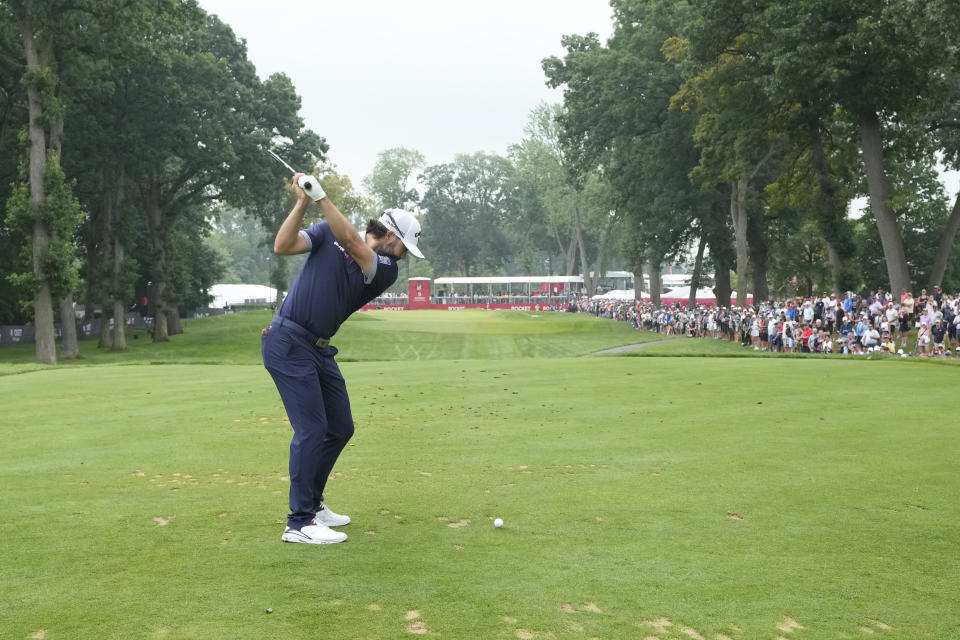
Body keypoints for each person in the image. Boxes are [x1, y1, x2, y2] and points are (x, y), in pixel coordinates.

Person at [261, 173, 424, 545]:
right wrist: (303, 202)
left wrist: (322, 197)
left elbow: (351, 241)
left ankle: (313, 505)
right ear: (392, 237)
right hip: (287, 341)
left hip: (317, 348)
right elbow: (283, 245)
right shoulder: (325, 231)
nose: (404, 258)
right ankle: (299, 523)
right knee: (312, 430)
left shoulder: (384, 270)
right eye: (404, 249)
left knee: (341, 427)